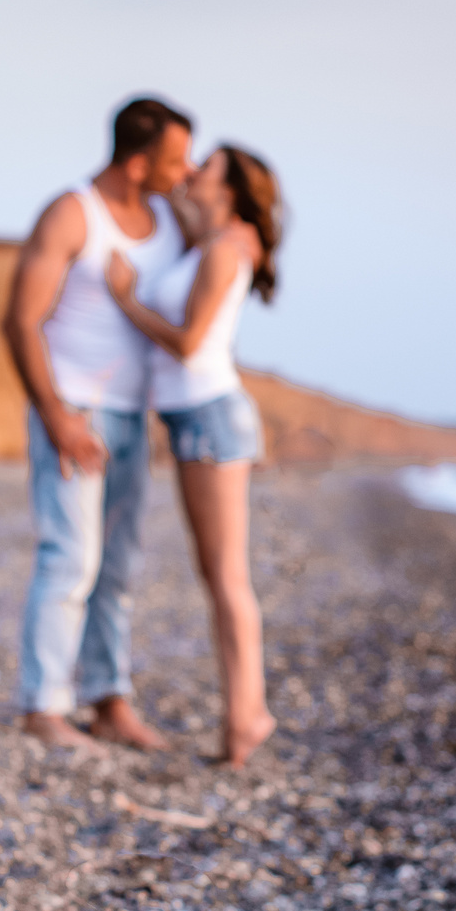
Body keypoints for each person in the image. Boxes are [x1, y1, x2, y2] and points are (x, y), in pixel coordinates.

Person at [2, 95, 193, 750]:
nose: (186, 170)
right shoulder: (71, 212)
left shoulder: (171, 218)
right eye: (176, 158)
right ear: (138, 163)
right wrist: (55, 416)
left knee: (120, 564)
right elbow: (20, 319)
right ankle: (44, 706)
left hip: (132, 415)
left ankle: (110, 701)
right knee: (71, 558)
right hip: (73, 409)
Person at [105, 143, 282, 766]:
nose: (192, 173)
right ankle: (246, 713)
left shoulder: (226, 247)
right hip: (193, 418)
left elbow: (187, 342)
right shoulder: (211, 239)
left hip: (209, 415)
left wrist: (127, 300)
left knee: (227, 576)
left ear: (230, 188)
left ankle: (246, 717)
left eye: (205, 168)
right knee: (218, 576)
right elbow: (176, 199)